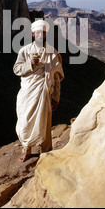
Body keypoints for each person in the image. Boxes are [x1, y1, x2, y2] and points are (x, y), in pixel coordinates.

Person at [13, 19, 64, 162]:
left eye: (43, 33)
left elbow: (57, 78)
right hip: (28, 92)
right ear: (33, 34)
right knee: (25, 121)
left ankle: (46, 151)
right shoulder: (25, 51)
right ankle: (26, 149)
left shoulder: (53, 53)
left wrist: (56, 97)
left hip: (45, 93)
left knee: (45, 123)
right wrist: (30, 64)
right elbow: (16, 69)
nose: (40, 35)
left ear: (46, 34)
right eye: (38, 33)